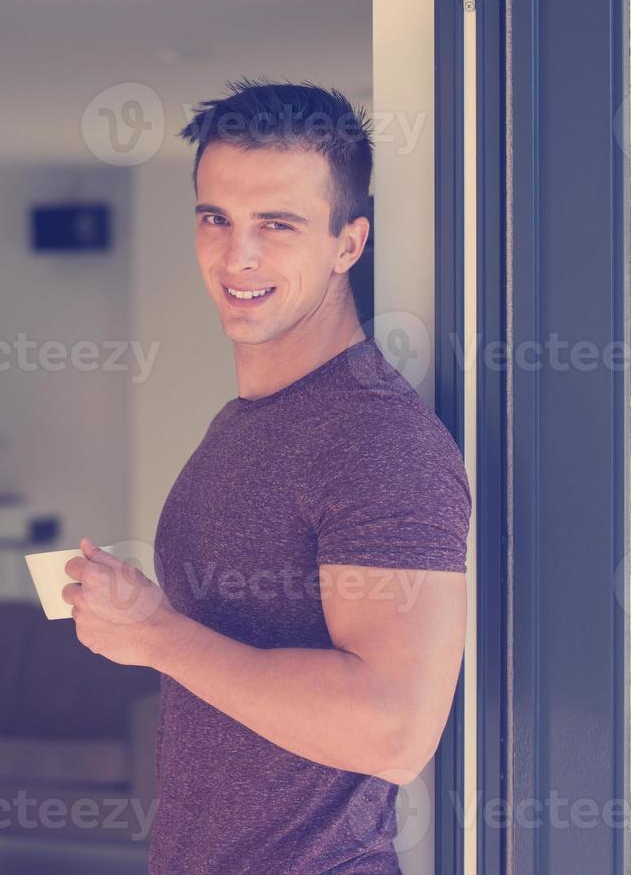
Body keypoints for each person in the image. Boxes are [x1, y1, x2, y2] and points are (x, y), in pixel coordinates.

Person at [63, 80, 472, 873]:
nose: (234, 255)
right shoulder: (249, 422)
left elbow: (393, 730)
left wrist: (154, 635)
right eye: (215, 218)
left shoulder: (376, 438)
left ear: (348, 244)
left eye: (275, 225)